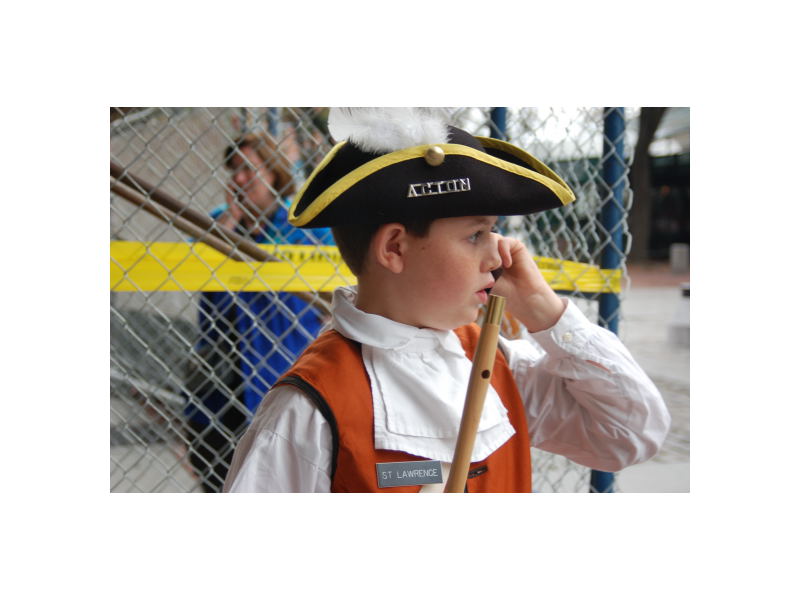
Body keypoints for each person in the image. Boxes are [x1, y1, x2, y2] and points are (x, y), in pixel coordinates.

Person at [223, 108, 670, 492]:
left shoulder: (495, 363)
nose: (500, 254)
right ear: (394, 248)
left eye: (493, 231)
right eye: (476, 234)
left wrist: (545, 311)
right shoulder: (309, 409)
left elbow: (630, 435)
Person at [184, 130, 334, 492]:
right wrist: (232, 225)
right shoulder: (218, 221)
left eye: (249, 169)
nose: (238, 178)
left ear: (274, 174)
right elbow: (195, 274)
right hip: (224, 372)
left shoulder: (304, 226)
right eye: (234, 170)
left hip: (284, 366)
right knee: (218, 474)